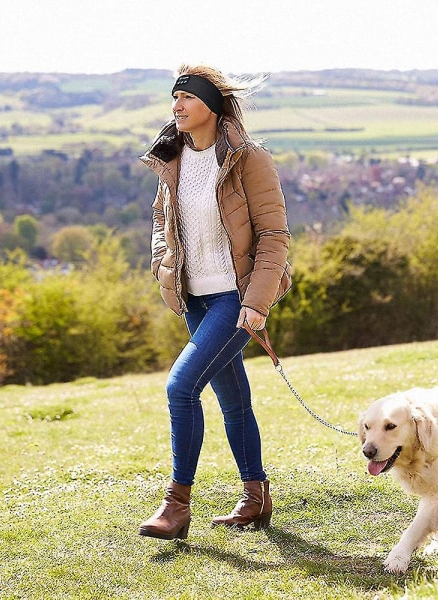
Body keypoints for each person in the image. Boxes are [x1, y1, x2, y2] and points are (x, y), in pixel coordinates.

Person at [137, 64, 291, 540]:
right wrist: (164, 264)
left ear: (212, 105)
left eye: (186, 97)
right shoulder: (173, 157)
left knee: (180, 388)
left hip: (234, 296)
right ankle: (256, 495)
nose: (177, 106)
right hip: (195, 298)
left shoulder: (249, 159)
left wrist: (257, 302)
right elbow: (162, 220)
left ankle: (176, 505)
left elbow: (274, 236)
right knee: (233, 399)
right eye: (174, 98)